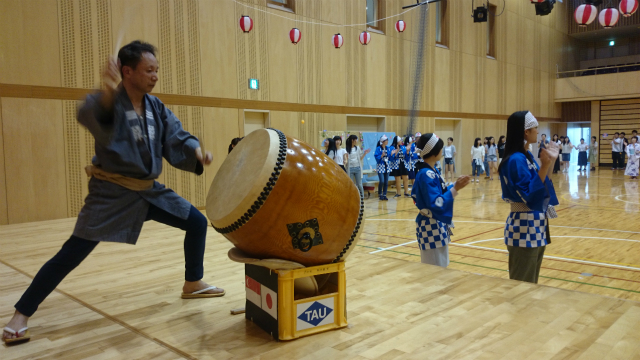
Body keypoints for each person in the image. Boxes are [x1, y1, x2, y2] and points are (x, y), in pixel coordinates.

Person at [2, 41, 223, 345]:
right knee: (71, 254)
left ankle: (193, 282)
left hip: (148, 191)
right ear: (127, 71)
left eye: (156, 70)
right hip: (112, 193)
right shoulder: (108, 101)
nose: (155, 76)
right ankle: (20, 315)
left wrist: (197, 152)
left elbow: (177, 134)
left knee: (197, 222)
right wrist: (107, 91)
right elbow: (95, 116)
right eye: (149, 70)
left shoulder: (155, 106)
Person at [498, 111, 559, 284]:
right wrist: (545, 165)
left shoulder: (527, 156)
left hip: (535, 224)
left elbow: (542, 186)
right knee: (522, 284)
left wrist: (550, 162)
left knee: (531, 282)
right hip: (523, 225)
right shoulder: (516, 160)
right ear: (526, 131)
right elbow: (529, 195)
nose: (537, 131)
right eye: (535, 128)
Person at [412, 134, 471, 267]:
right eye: (440, 148)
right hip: (429, 225)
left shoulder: (431, 171)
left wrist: (456, 185)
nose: (442, 151)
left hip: (435, 225)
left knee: (441, 267)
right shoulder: (426, 174)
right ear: (434, 152)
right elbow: (437, 202)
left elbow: (441, 193)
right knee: (434, 271)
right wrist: (455, 188)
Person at [374, 135, 392, 201]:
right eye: (386, 140)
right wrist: (381, 156)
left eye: (387, 140)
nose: (387, 141)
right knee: (382, 181)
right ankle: (380, 194)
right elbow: (376, 157)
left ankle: (384, 194)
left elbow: (390, 157)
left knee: (386, 182)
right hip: (380, 166)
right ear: (383, 141)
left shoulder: (388, 148)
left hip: (387, 166)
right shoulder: (378, 148)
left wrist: (392, 154)